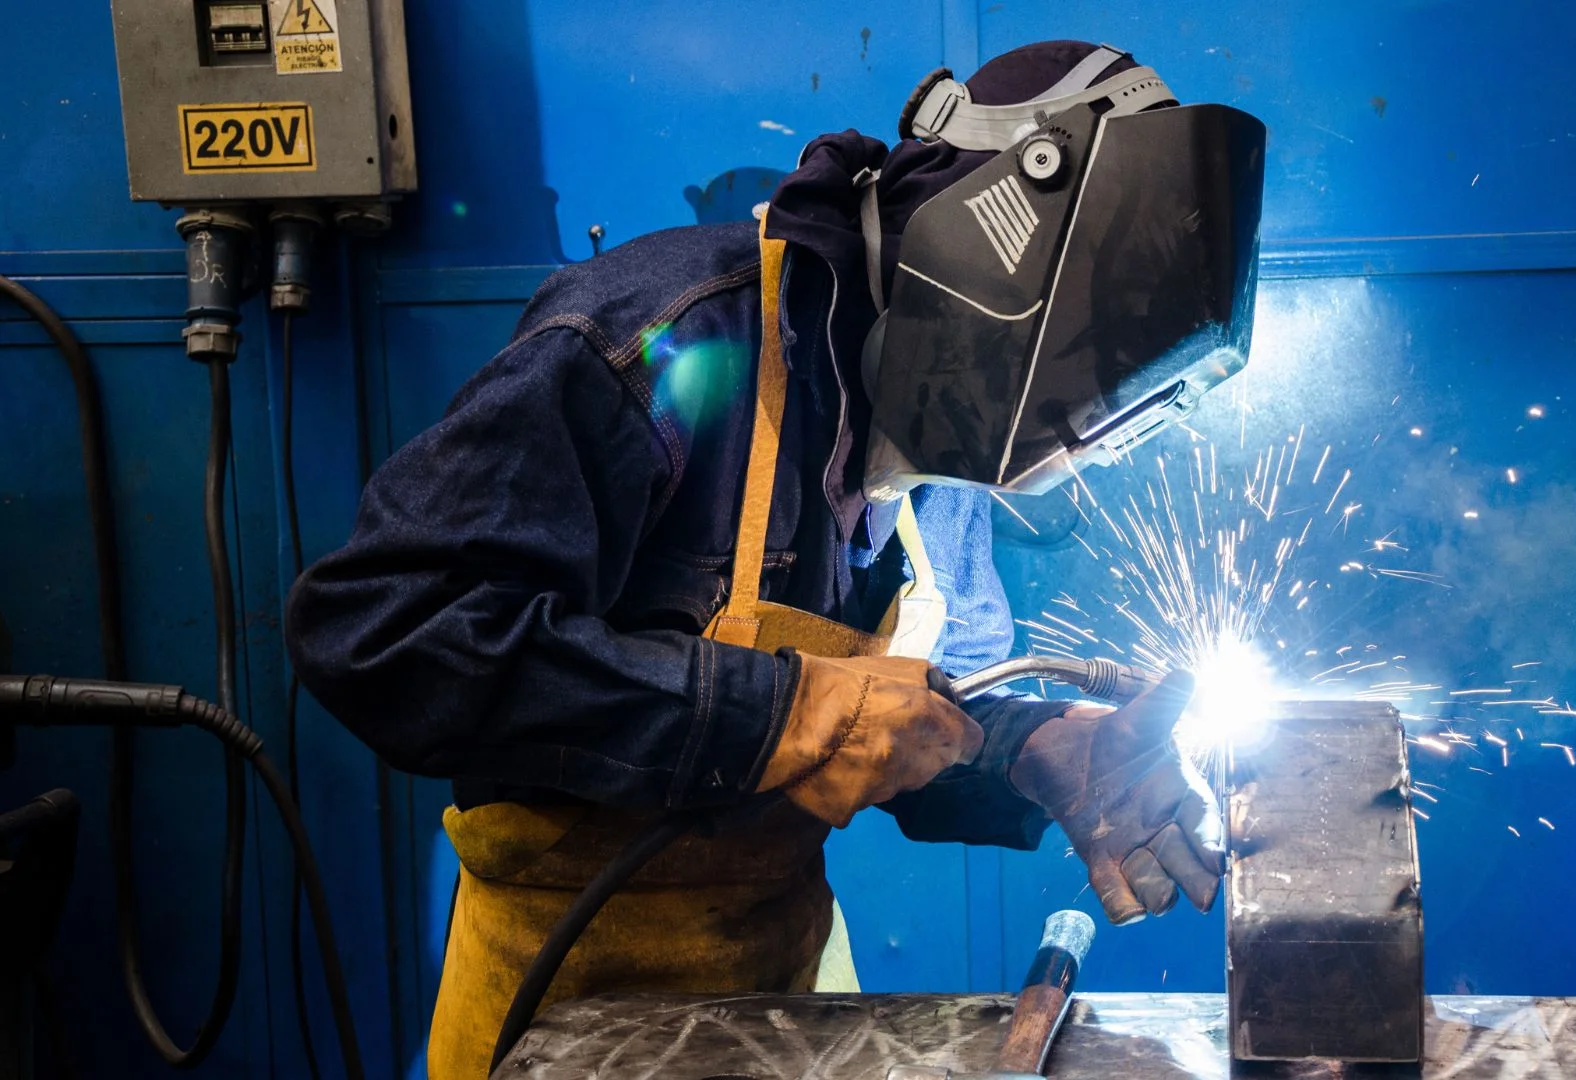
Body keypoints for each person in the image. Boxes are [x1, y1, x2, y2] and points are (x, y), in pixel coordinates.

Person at [287, 39, 1266, 1079]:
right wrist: (776, 713)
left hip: (779, 994)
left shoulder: (957, 444)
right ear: (997, 253)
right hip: (563, 1004)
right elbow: (385, 630)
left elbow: (890, 721)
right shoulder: (666, 335)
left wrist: (1027, 749)